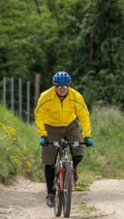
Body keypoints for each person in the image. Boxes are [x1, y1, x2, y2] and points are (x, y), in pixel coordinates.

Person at [34, 71, 94, 207]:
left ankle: (72, 170)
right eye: (59, 86)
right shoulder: (46, 96)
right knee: (49, 160)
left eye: (65, 86)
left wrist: (87, 135)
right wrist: (43, 134)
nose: (62, 89)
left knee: (78, 150)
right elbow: (39, 116)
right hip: (51, 126)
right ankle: (50, 194)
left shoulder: (76, 96)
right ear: (54, 86)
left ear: (69, 86)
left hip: (70, 125)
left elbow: (84, 116)